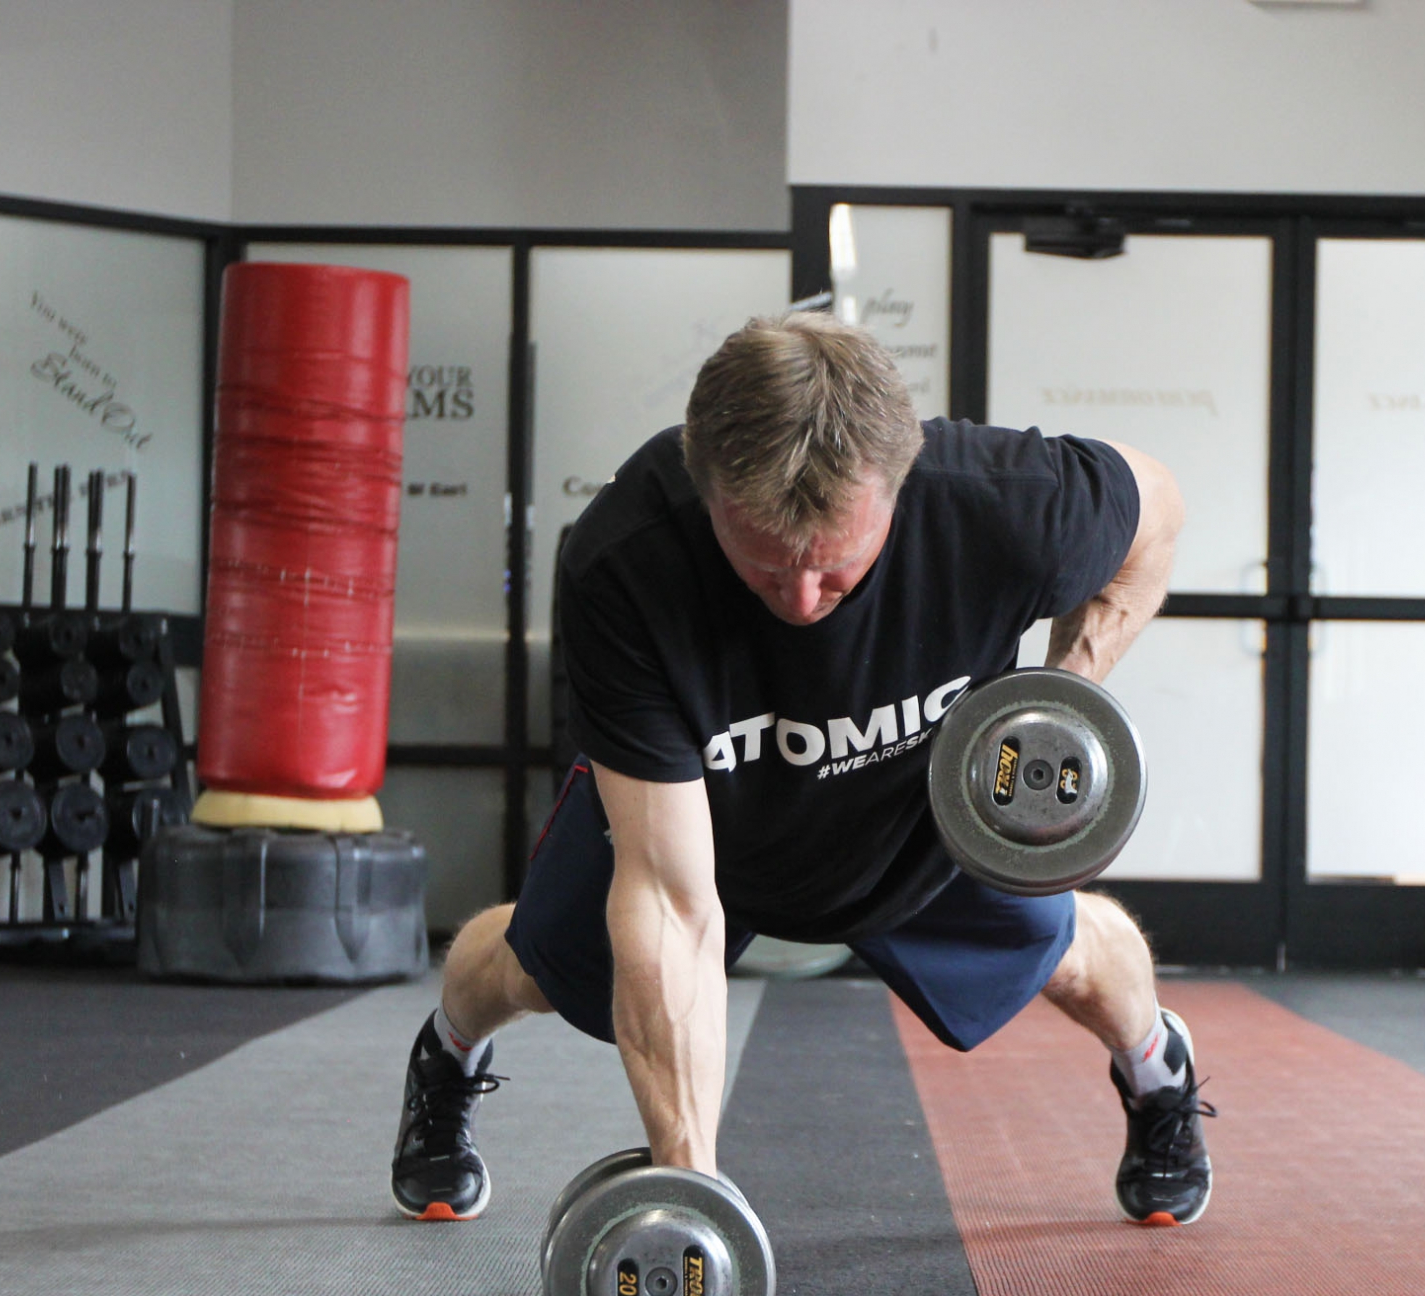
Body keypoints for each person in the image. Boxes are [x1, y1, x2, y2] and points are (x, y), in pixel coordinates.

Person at [390, 312, 1214, 1226]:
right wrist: (688, 1189)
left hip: (917, 808)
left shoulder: (1008, 503)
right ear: (709, 497)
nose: (800, 600)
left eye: (834, 569)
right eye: (766, 565)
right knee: (526, 969)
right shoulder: (625, 562)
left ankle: (1157, 1075)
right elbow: (672, 901)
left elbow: (1160, 509)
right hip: (697, 813)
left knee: (1075, 961)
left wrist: (1059, 700)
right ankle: (446, 1056)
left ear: (898, 493)